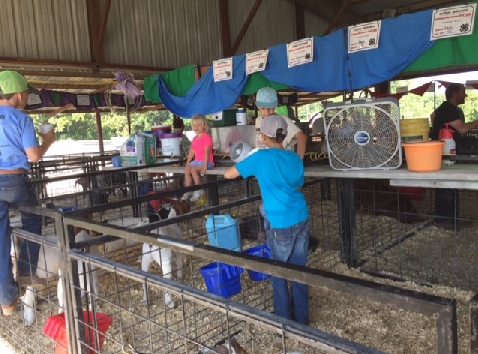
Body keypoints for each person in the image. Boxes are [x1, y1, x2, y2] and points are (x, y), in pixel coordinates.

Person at [224, 115, 310, 325]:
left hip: (280, 222)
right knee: (300, 271)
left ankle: (283, 320)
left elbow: (229, 174)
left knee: (278, 270)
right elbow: (298, 180)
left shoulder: (260, 157)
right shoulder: (294, 158)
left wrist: (249, 163)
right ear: (283, 134)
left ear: (263, 135)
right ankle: (302, 320)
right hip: (301, 216)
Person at [0, 70, 56, 315]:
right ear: (20, 95)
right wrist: (48, 141)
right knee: (33, 218)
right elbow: (33, 156)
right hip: (14, 181)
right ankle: (25, 270)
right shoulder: (22, 120)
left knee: (1, 237)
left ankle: (7, 299)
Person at [430, 83, 478, 230]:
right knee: (446, 184)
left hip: (447, 150)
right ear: (454, 94)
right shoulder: (448, 109)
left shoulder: (446, 109)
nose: (465, 95)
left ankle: (452, 219)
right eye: (463, 92)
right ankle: (443, 220)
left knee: (451, 183)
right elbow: (462, 129)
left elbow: (432, 116)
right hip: (446, 152)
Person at [254, 86, 307, 159]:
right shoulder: (258, 120)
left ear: (275, 106)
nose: (267, 112)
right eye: (263, 108)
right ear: (258, 106)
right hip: (262, 162)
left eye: (270, 108)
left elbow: (301, 136)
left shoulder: (281, 120)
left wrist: (299, 159)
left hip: (279, 160)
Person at [182, 114, 214, 202]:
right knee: (187, 169)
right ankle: (189, 189)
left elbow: (207, 151)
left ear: (204, 126)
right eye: (194, 125)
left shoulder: (206, 137)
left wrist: (205, 165)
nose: (196, 127)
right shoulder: (195, 138)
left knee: (193, 170)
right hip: (197, 161)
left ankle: (199, 189)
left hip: (207, 161)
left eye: (198, 125)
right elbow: (192, 151)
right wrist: (188, 161)